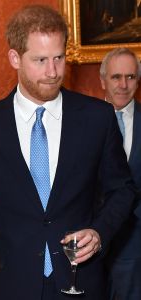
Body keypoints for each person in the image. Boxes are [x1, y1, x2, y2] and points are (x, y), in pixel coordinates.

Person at [0, 5, 136, 300]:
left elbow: (123, 190)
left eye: (59, 58)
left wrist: (99, 231)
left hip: (82, 282)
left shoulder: (97, 118)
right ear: (15, 58)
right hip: (11, 285)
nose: (53, 72)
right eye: (40, 60)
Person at [100, 47, 141, 300]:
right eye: (116, 77)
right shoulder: (81, 122)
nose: (123, 85)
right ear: (102, 80)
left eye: (131, 77)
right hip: (89, 245)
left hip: (135, 248)